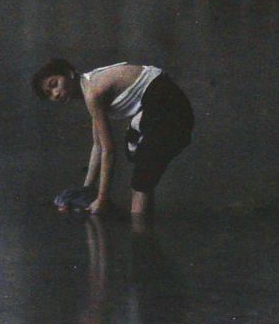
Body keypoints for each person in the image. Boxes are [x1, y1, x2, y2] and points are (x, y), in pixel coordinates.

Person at [32, 57, 194, 221]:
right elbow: (98, 146)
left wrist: (101, 200)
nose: (55, 94)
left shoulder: (92, 92)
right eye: (49, 94)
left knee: (140, 181)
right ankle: (144, 225)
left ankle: (140, 231)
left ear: (69, 74)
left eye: (54, 84)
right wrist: (86, 190)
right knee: (138, 162)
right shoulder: (88, 87)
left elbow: (109, 150)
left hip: (170, 105)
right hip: (162, 103)